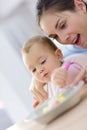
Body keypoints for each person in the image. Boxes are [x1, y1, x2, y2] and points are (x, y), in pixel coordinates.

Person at [21, 35, 87, 108]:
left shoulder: (69, 68)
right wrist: (44, 104)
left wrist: (63, 82)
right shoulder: (49, 85)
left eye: (42, 62)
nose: (39, 70)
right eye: (34, 70)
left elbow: (66, 96)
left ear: (58, 55)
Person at [36, 0, 87, 85]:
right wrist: (39, 79)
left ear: (80, 6)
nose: (63, 39)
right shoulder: (70, 54)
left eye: (63, 25)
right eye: (55, 37)